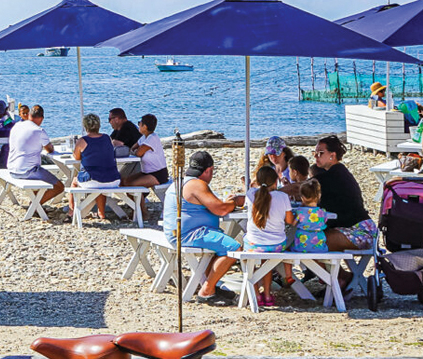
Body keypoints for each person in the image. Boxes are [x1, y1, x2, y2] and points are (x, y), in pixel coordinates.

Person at [180, 152, 246, 302]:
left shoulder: (183, 181)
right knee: (233, 248)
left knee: (221, 241)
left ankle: (210, 284)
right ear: (209, 170)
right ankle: (207, 290)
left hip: (182, 232)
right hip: (192, 234)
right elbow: (221, 210)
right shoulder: (197, 184)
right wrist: (234, 202)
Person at [312, 136, 377, 256]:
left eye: (320, 153)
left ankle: (339, 275)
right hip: (349, 228)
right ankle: (335, 275)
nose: (315, 156)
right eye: (314, 153)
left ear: (332, 155)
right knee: (311, 240)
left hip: (362, 232)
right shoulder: (332, 174)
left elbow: (302, 187)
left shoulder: (335, 174)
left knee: (313, 242)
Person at [242, 164, 295, 308]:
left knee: (247, 249)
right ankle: (266, 294)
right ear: (276, 181)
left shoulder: (251, 194)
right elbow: (289, 221)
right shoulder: (283, 196)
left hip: (254, 244)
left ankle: (256, 295)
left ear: (258, 181)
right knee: (267, 262)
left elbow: (254, 190)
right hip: (277, 244)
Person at [6, 105, 63, 210]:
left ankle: (36, 203)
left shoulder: (17, 126)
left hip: (11, 168)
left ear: (29, 115)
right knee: (59, 186)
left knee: (40, 175)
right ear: (41, 118)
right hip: (27, 171)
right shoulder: (39, 131)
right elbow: (50, 150)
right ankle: (34, 205)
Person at [74, 113, 123, 220]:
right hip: (113, 179)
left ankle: (71, 212)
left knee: (74, 181)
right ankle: (101, 213)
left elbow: (76, 157)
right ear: (99, 126)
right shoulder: (107, 138)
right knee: (101, 175)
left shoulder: (82, 141)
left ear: (85, 126)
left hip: (93, 180)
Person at [123, 113, 167, 190]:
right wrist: (137, 150)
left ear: (145, 126)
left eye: (139, 123)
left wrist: (137, 150)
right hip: (146, 172)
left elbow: (138, 153)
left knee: (131, 185)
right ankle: (137, 200)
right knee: (125, 182)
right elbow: (133, 148)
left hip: (157, 174)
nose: (138, 125)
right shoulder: (144, 137)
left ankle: (140, 200)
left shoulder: (152, 138)